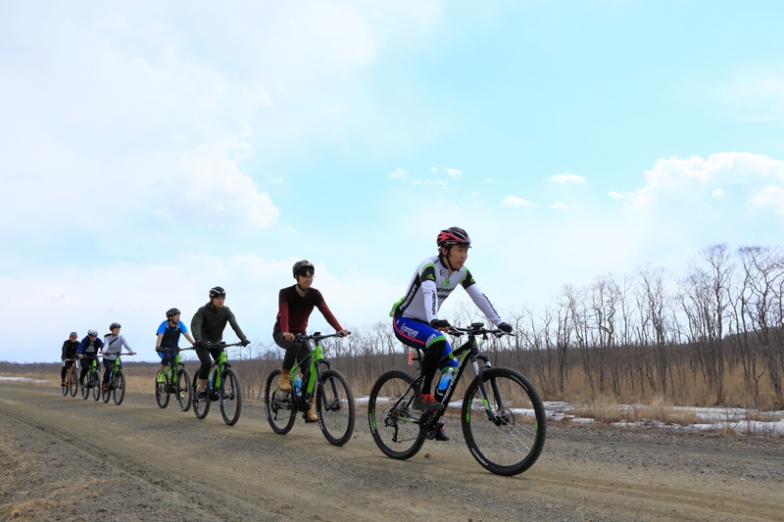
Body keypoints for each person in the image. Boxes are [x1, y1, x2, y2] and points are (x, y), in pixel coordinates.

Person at [390, 227, 513, 441]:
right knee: (437, 340)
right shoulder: (429, 266)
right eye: (459, 250)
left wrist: (499, 321)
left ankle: (432, 417)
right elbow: (429, 293)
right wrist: (434, 319)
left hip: (428, 323)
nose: (463, 255)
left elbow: (479, 297)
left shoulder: (462, 273)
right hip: (405, 320)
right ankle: (423, 396)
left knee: (451, 368)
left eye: (466, 250)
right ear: (445, 249)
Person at [272, 260, 348, 422]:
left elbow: (326, 311)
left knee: (310, 370)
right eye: (304, 276)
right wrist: (285, 331)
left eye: (311, 275)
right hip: (281, 332)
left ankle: (308, 407)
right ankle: (284, 377)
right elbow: (284, 312)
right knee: (294, 344)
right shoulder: (285, 293)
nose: (308, 278)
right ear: (296, 277)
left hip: (301, 334)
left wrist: (339, 329)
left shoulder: (314, 294)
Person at [191, 287, 250, 401]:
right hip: (202, 343)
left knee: (223, 363)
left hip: (216, 343)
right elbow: (195, 324)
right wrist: (198, 339)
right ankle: (202, 391)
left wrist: (243, 338)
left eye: (223, 298)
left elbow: (234, 324)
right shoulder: (203, 310)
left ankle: (217, 389)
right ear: (211, 298)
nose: (220, 301)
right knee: (207, 363)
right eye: (218, 298)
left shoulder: (226, 311)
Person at [155, 308, 195, 383]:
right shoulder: (164, 324)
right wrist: (158, 346)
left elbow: (186, 334)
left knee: (176, 366)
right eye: (176, 316)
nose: (178, 318)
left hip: (174, 349)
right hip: (163, 348)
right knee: (167, 357)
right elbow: (160, 335)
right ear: (170, 317)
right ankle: (160, 374)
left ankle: (178, 389)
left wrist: (194, 343)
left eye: (179, 316)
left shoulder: (180, 324)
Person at [101, 322, 136, 391]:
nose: (117, 330)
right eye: (115, 329)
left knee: (119, 368)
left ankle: (117, 381)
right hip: (107, 357)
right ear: (111, 330)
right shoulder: (107, 338)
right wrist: (104, 350)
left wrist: (131, 351)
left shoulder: (121, 337)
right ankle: (105, 384)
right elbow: (106, 345)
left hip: (116, 357)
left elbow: (126, 345)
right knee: (109, 369)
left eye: (118, 329)